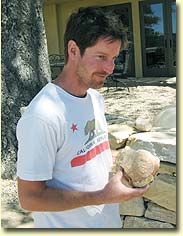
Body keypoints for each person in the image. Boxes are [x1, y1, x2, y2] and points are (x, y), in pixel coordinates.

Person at [16, 6, 149, 228]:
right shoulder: (42, 115)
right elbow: (29, 198)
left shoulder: (95, 99)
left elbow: (87, 154)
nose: (110, 68)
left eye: (114, 58)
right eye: (101, 57)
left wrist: (123, 159)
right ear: (73, 50)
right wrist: (102, 197)